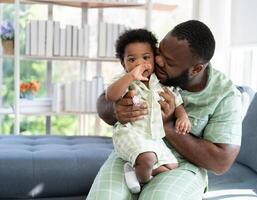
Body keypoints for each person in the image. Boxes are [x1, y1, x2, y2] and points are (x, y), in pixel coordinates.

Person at [87, 20, 242, 200]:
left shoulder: (225, 96)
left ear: (196, 69)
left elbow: (220, 161)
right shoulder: (149, 67)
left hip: (182, 165)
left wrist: (168, 125)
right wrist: (116, 110)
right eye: (159, 52)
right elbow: (105, 99)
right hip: (134, 151)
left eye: (168, 61)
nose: (158, 61)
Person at [105, 29, 191, 193]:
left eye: (145, 58)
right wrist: (130, 77)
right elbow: (111, 95)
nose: (139, 63)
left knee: (171, 166)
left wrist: (182, 117)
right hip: (130, 132)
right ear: (123, 64)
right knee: (148, 158)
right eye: (132, 59)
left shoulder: (159, 83)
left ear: (154, 59)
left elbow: (177, 102)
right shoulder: (125, 80)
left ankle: (134, 170)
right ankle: (143, 183)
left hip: (152, 136)